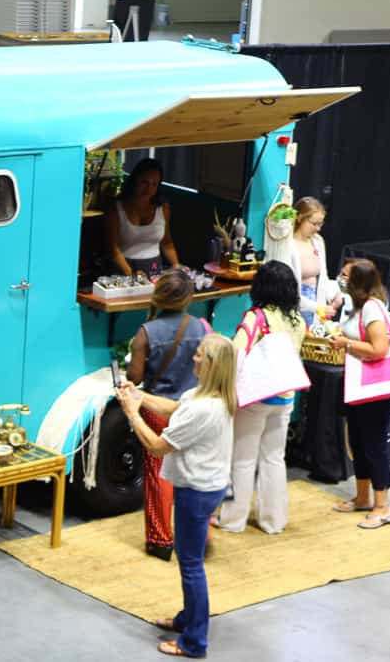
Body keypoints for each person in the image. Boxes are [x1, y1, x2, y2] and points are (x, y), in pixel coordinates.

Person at [115, 334, 236, 659]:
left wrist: (132, 413)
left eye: (199, 356)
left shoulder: (204, 410)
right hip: (205, 486)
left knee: (191, 565)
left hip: (196, 492)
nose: (193, 359)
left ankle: (195, 641)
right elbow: (175, 407)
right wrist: (140, 397)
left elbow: (156, 446)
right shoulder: (209, 396)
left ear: (211, 366)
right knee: (189, 561)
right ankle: (188, 619)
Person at [215, 261, 306, 534]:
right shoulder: (298, 320)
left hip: (255, 398)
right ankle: (273, 520)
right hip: (285, 397)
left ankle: (232, 520)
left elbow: (236, 352)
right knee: (274, 458)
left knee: (242, 460)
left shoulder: (256, 317)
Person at [127, 269, 210, 560]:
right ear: (188, 298)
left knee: (159, 475)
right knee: (195, 473)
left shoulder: (147, 332)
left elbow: (134, 377)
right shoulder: (202, 327)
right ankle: (200, 534)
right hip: (194, 408)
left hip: (158, 409)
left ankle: (160, 540)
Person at [327, 259, 390, 529]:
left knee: (373, 443)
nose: (340, 279)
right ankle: (363, 497)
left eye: (345, 276)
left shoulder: (372, 308)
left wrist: (347, 344)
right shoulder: (355, 306)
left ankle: (383, 506)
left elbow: (379, 349)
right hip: (356, 382)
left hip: (375, 387)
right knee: (356, 440)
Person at [106, 158, 180, 276]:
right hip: (123, 269)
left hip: (155, 268)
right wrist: (131, 273)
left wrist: (177, 266)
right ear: (135, 180)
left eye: (154, 184)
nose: (148, 189)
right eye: (144, 182)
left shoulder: (163, 208)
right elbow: (113, 249)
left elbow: (167, 243)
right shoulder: (116, 208)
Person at [283, 197, 341, 326]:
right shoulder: (288, 245)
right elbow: (287, 290)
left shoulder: (318, 242)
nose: (318, 228)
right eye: (314, 224)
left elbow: (323, 277)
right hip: (295, 305)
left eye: (321, 224)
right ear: (300, 218)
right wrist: (316, 307)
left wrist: (335, 293)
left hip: (316, 303)